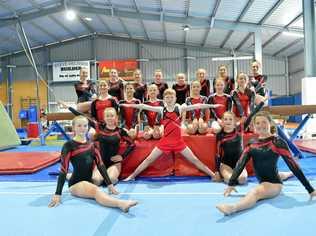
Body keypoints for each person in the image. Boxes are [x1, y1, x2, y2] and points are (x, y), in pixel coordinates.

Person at [216, 111, 316, 216]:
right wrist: (231, 183)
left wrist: (310, 189)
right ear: (254, 126)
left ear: (270, 123)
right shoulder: (251, 144)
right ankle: (287, 175)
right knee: (280, 173)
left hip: (273, 184)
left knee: (255, 192)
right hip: (268, 176)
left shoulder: (277, 142)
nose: (261, 125)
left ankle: (233, 208)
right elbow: (240, 164)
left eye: (264, 122)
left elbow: (293, 166)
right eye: (258, 123)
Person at [122, 88, 221, 181]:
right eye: (167, 97)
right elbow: (144, 106)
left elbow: (197, 106)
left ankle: (212, 175)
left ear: (175, 98)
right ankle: (132, 176)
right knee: (148, 159)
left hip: (178, 142)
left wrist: (212, 106)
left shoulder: (179, 108)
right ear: (164, 99)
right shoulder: (162, 109)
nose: (169, 99)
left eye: (171, 97)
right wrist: (128, 105)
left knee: (195, 159)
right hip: (165, 142)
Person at [48, 115, 137, 212]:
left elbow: (100, 165)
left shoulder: (92, 145)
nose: (83, 128)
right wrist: (58, 194)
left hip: (89, 180)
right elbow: (63, 169)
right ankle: (121, 204)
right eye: (79, 126)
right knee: (96, 191)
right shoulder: (69, 146)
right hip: (76, 184)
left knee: (96, 182)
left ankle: (69, 176)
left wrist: (109, 184)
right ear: (73, 128)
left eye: (85, 126)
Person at [59, 102, 135, 185]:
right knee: (96, 181)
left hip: (114, 163)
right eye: (107, 116)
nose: (110, 118)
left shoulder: (120, 131)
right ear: (104, 118)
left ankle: (110, 178)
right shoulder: (99, 127)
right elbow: (84, 117)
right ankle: (69, 175)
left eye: (112, 116)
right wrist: (69, 108)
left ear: (116, 117)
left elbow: (132, 144)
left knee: (111, 180)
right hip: (100, 162)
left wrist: (122, 156)